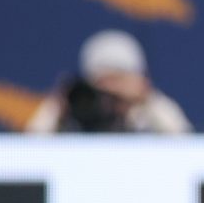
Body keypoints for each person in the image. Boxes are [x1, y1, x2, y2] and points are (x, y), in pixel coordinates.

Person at [25, 29, 193, 133]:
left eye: (119, 81)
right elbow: (30, 150)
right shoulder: (74, 118)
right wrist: (58, 106)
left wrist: (148, 99)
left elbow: (184, 142)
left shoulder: (144, 117)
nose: (110, 95)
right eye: (104, 83)